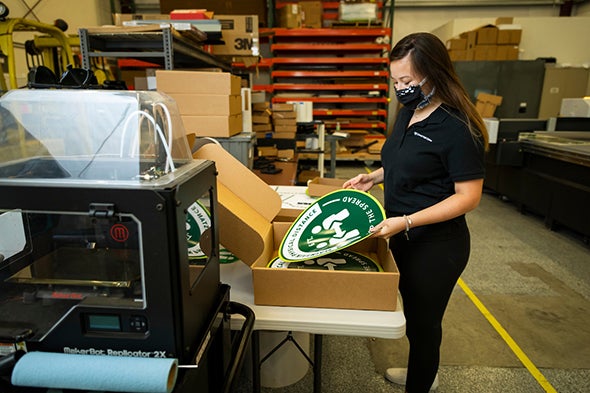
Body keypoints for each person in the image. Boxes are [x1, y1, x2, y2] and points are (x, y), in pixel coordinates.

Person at [343, 32, 488, 393]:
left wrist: (407, 220)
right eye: (395, 80)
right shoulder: (410, 111)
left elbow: (468, 196)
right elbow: (405, 160)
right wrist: (375, 177)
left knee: (425, 325)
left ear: (434, 73)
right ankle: (421, 370)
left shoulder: (457, 128)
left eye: (407, 80)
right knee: (410, 314)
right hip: (402, 236)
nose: (400, 88)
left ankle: (421, 382)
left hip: (437, 246)